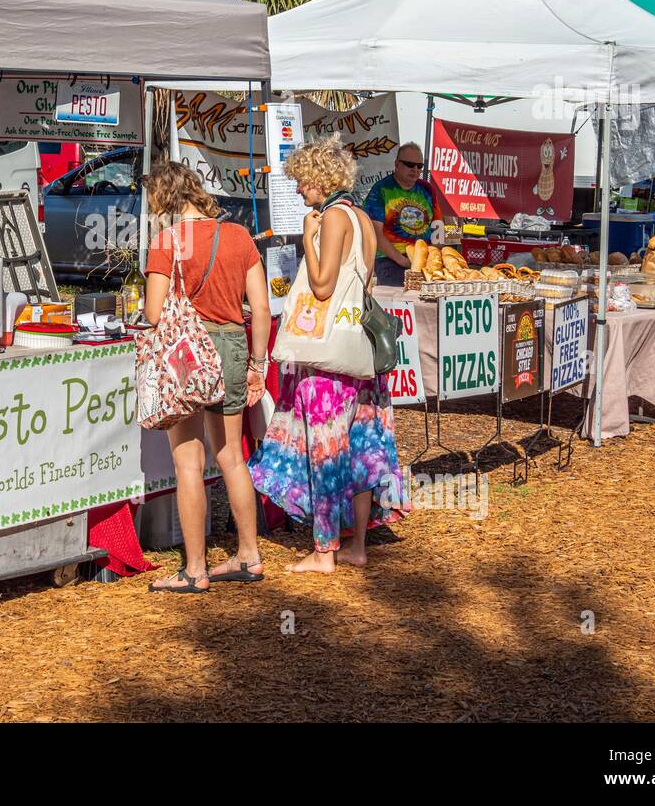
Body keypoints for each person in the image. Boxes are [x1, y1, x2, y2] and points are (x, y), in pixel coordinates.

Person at [252, 137, 403, 574]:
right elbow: (362, 282)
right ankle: (357, 546)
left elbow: (321, 286)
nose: (299, 190)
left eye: (302, 181)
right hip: (358, 352)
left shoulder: (334, 218)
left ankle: (324, 550)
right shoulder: (360, 217)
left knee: (325, 450)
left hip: (328, 357)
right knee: (357, 449)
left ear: (320, 179)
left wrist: (308, 238)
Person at [143, 160, 272, 593]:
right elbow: (262, 308)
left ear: (164, 198)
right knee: (231, 456)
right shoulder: (237, 236)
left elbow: (155, 313)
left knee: (187, 463)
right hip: (233, 346)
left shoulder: (166, 242)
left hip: (186, 354)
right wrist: (258, 366)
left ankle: (195, 569)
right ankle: (249, 555)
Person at [363, 141, 441, 286]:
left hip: (424, 257)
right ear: (397, 165)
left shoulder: (428, 189)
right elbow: (375, 234)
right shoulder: (381, 190)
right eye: (409, 164)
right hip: (390, 260)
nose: (415, 169)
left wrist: (437, 255)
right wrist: (402, 260)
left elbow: (438, 226)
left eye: (419, 166)